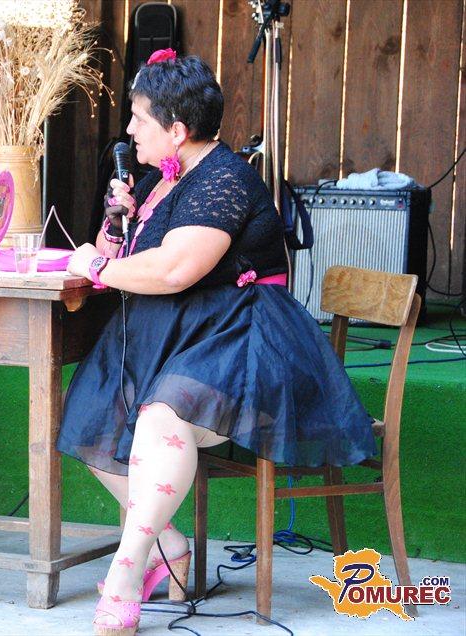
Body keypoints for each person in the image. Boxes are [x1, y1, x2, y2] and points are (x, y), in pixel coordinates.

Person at [62, 50, 376, 635]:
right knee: (91, 412)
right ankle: (168, 546)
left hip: (245, 336)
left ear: (177, 131)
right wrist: (116, 221)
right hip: (184, 334)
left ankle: (126, 573)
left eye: (139, 119)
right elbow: (128, 256)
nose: (129, 130)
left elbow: (175, 270)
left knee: (162, 417)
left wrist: (98, 269)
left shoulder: (226, 180)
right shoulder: (160, 179)